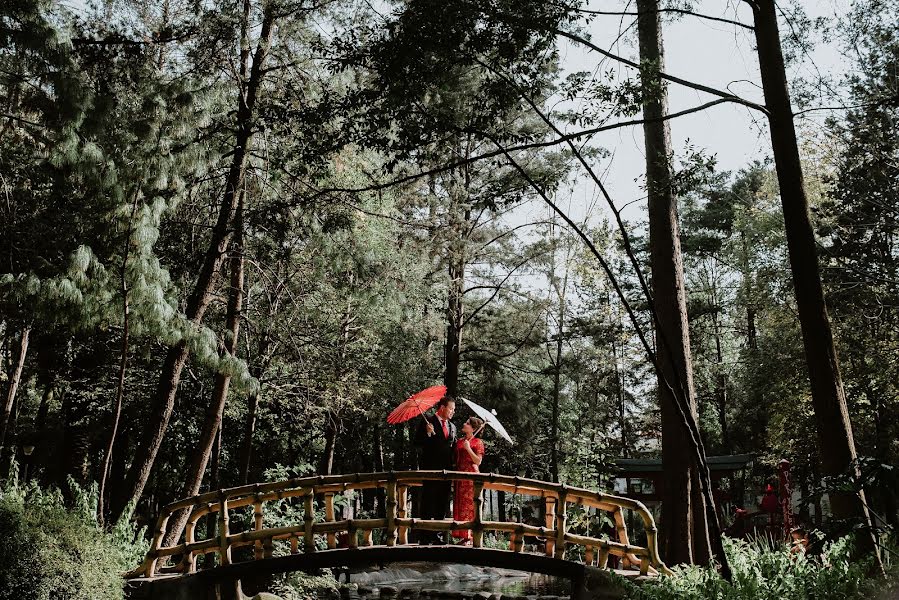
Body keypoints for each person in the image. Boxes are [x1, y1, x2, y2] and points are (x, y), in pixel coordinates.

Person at [414, 395, 456, 544]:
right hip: (430, 468)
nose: (452, 412)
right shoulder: (428, 421)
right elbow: (416, 442)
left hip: (447, 471)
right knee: (428, 501)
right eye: (451, 409)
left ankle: (436, 535)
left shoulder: (453, 427)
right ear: (442, 408)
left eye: (453, 410)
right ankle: (424, 536)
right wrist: (427, 433)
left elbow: (453, 449)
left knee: (442, 503)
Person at [452, 417, 485, 545]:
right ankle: (462, 536)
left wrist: (468, 448)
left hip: (471, 476)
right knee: (460, 504)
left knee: (470, 505)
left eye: (467, 423)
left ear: (473, 428)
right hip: (460, 476)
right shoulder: (459, 441)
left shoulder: (478, 442)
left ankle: (470, 537)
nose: (464, 424)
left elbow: (478, 461)